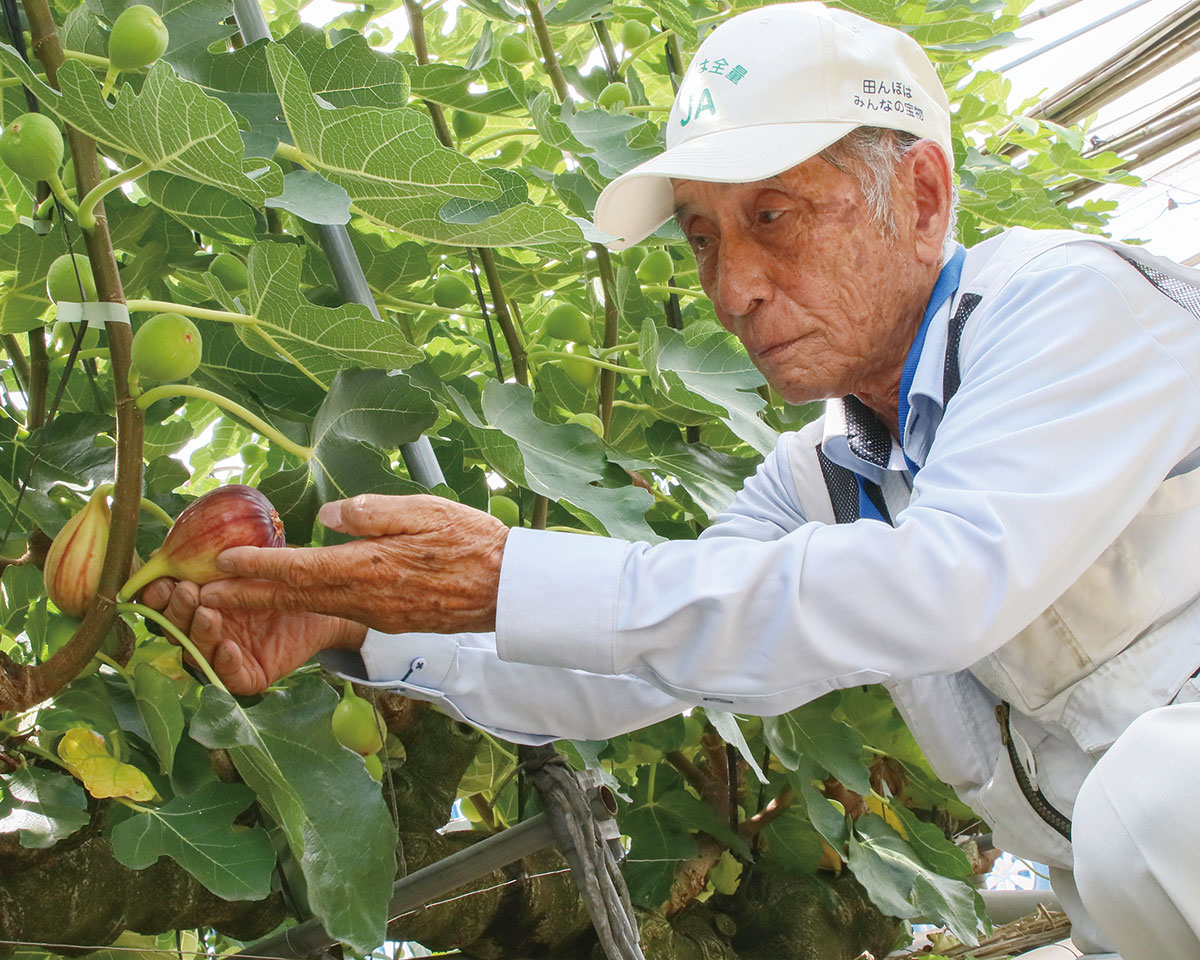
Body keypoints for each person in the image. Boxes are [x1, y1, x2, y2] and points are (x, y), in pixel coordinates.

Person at [143, 4, 1200, 958]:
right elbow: (643, 663)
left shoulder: (1068, 309)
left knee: (1152, 802)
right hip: (1132, 912)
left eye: (773, 217)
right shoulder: (820, 480)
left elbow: (945, 583)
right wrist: (357, 626)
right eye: (702, 239)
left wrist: (509, 569)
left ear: (920, 196)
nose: (731, 289)